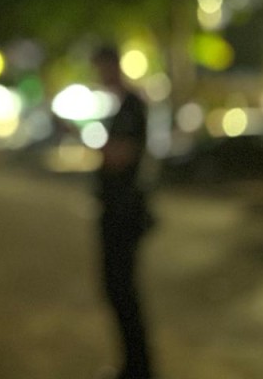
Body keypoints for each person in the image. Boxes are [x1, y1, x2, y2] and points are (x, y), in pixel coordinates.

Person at [91, 46, 155, 379]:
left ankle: (138, 368)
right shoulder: (123, 106)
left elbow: (121, 155)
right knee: (117, 290)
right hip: (117, 210)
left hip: (123, 213)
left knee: (122, 290)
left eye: (101, 67)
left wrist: (91, 142)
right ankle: (133, 365)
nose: (99, 75)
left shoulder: (131, 106)